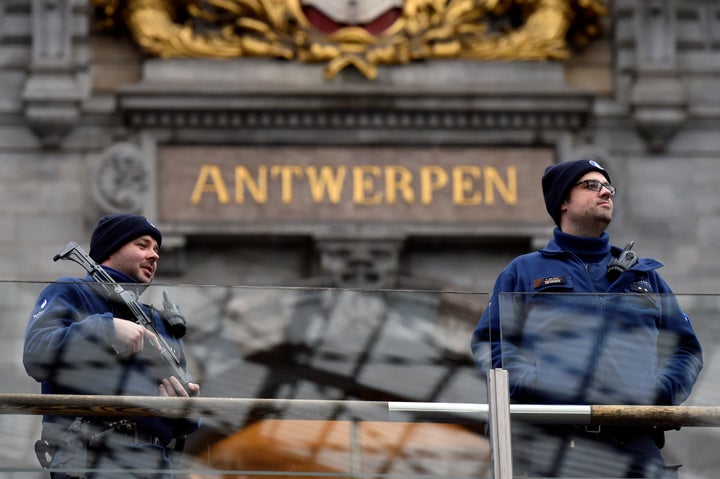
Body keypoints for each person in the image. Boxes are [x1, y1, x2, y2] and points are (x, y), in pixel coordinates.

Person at [470, 159, 703, 478]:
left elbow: (685, 350)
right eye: (591, 186)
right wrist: (538, 384)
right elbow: (493, 347)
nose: (605, 193)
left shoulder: (644, 276)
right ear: (563, 201)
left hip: (634, 446)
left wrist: (657, 391)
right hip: (553, 447)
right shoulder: (523, 272)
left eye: (608, 187)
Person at [23, 214, 201, 479]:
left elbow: (188, 420)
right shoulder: (73, 292)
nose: (154, 255)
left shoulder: (160, 323)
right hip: (91, 459)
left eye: (156, 249)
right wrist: (107, 329)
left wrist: (185, 411)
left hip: (155, 465)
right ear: (111, 248)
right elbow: (36, 353)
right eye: (143, 245)